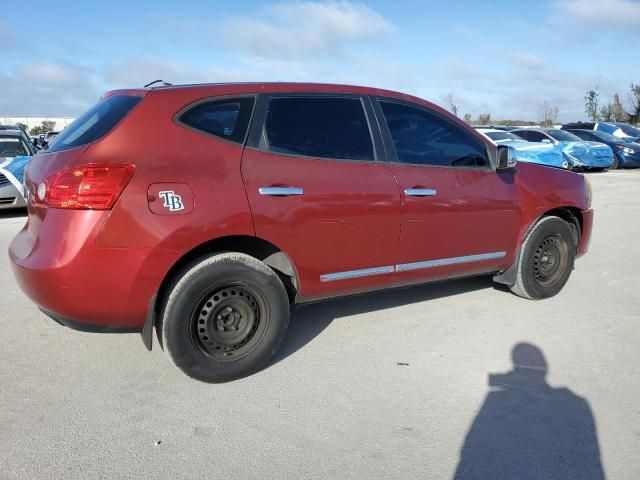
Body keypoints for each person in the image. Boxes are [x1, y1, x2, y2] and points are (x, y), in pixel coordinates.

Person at [454, 343, 605, 480]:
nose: (530, 368)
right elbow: (473, 454)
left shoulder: (570, 404)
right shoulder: (499, 403)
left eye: (531, 362)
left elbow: (589, 458)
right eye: (524, 363)